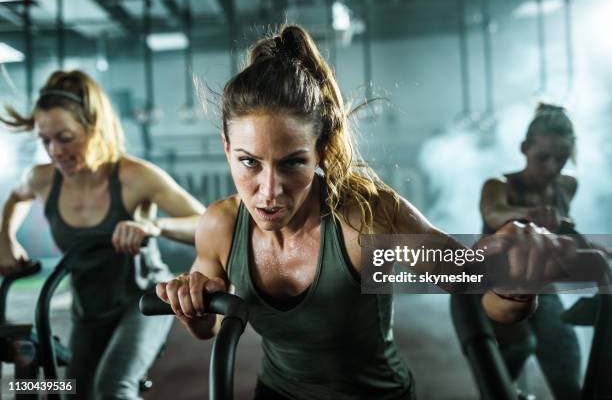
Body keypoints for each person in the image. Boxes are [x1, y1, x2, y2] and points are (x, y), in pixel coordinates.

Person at [157, 25, 575, 400]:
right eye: (249, 162)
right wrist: (190, 304)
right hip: (277, 393)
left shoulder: (366, 219)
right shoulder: (220, 226)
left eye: (292, 163)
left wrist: (513, 284)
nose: (268, 192)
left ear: (320, 151)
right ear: (227, 149)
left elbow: (478, 287)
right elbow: (208, 328)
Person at [0, 70, 206, 399]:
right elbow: (15, 198)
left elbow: (208, 223)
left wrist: (154, 226)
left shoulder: (135, 176)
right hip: (88, 311)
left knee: (113, 388)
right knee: (72, 392)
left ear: (94, 125)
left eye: (65, 138)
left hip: (143, 302)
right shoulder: (41, 179)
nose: (54, 151)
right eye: (45, 140)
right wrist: (5, 239)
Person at [480, 103, 581, 399]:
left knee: (566, 359)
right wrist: (529, 215)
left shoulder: (568, 186)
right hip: (495, 286)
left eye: (561, 159)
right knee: (516, 351)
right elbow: (494, 213)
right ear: (524, 148)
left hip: (540, 285)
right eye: (543, 157)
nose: (551, 168)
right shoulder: (498, 185)